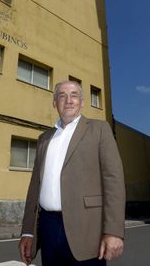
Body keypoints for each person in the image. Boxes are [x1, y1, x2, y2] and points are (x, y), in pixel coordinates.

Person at [19, 80, 125, 265]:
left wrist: (113, 231)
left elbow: (114, 182)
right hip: (48, 227)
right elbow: (34, 187)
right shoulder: (44, 139)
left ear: (82, 102)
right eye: (62, 95)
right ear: (55, 103)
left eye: (74, 95)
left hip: (87, 229)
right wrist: (28, 231)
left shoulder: (99, 129)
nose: (68, 100)